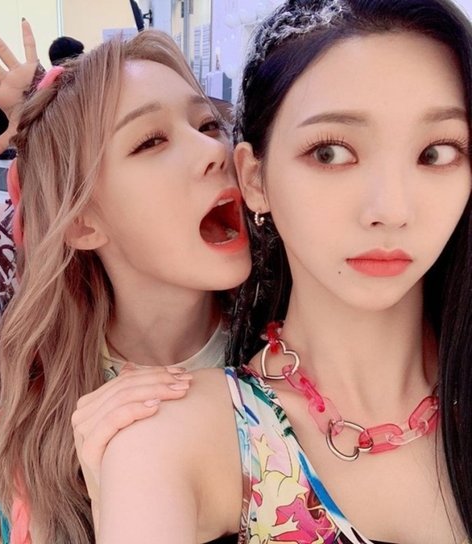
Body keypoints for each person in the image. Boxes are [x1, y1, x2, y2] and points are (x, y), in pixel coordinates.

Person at [96, 0, 472, 542]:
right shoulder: (174, 440)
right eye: (331, 153)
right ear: (255, 180)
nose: (391, 210)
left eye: (436, 153)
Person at [0, 28, 250, 544]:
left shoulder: (301, 354)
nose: (214, 150)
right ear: (82, 222)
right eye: (151, 141)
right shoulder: (35, 428)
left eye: (207, 124)